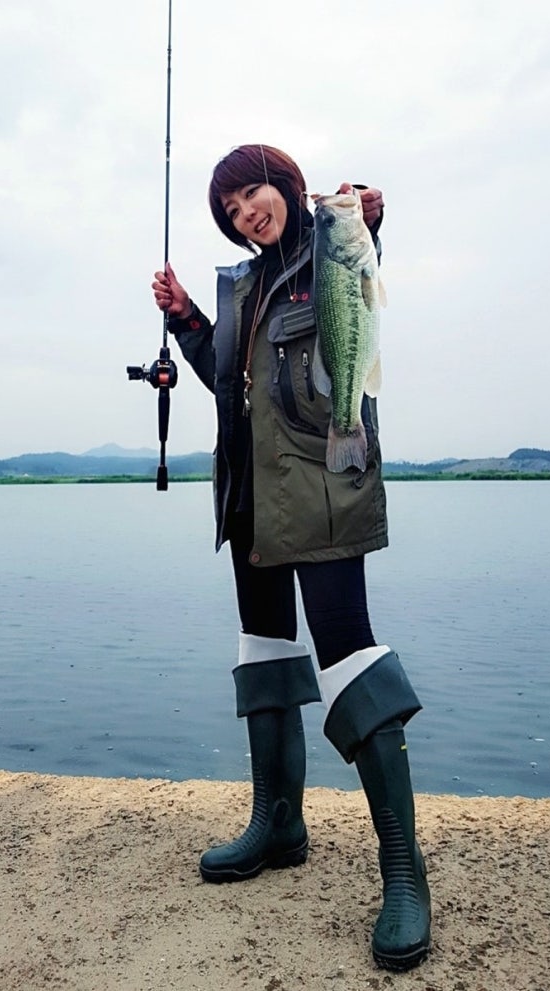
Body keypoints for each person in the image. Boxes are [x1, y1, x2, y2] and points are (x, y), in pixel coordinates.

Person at [151, 144, 431, 972]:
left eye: (252, 192)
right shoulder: (241, 286)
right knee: (265, 654)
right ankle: (278, 823)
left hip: (324, 488)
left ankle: (403, 871)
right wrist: (188, 322)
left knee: (351, 661)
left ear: (283, 183)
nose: (245, 212)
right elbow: (226, 378)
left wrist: (369, 214)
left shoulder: (329, 250)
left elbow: (362, 249)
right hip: (248, 495)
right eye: (230, 209)